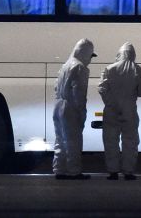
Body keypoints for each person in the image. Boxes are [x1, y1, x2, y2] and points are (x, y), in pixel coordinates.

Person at [98, 41, 141, 180]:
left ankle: (113, 171)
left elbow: (102, 89)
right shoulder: (137, 69)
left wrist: (111, 103)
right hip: (130, 110)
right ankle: (128, 171)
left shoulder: (109, 68)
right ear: (132, 55)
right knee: (130, 141)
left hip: (111, 110)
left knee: (110, 141)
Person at [52, 38, 96, 180]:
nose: (90, 59)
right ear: (85, 53)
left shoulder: (65, 66)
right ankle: (74, 171)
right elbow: (79, 92)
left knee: (60, 139)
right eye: (90, 56)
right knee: (73, 140)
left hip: (58, 104)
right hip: (70, 107)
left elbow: (55, 87)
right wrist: (81, 112)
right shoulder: (80, 68)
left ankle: (59, 169)